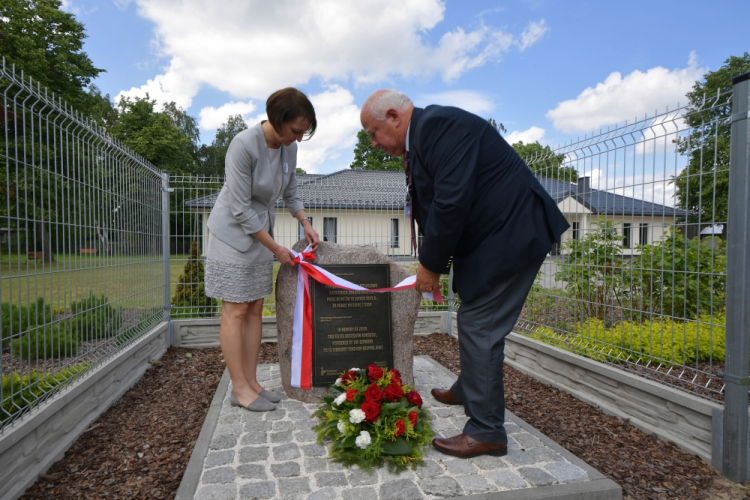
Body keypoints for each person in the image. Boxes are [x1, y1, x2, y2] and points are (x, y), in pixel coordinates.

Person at [360, 89, 569, 457]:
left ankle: (487, 430)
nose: (374, 143)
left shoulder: (440, 126)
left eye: (374, 132)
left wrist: (429, 266)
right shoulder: (425, 137)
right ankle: (470, 387)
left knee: (479, 325)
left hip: (513, 234)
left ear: (393, 115)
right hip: (493, 238)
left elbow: (450, 201)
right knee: (472, 307)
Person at [205, 88, 320, 412]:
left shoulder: (288, 149)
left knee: (255, 308)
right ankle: (239, 388)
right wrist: (275, 248)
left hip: (260, 236)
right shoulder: (243, 145)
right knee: (236, 310)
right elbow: (240, 209)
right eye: (296, 130)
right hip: (231, 237)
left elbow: (292, 192)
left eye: (303, 133)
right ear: (277, 119)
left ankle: (252, 383)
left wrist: (305, 222)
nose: (298, 138)